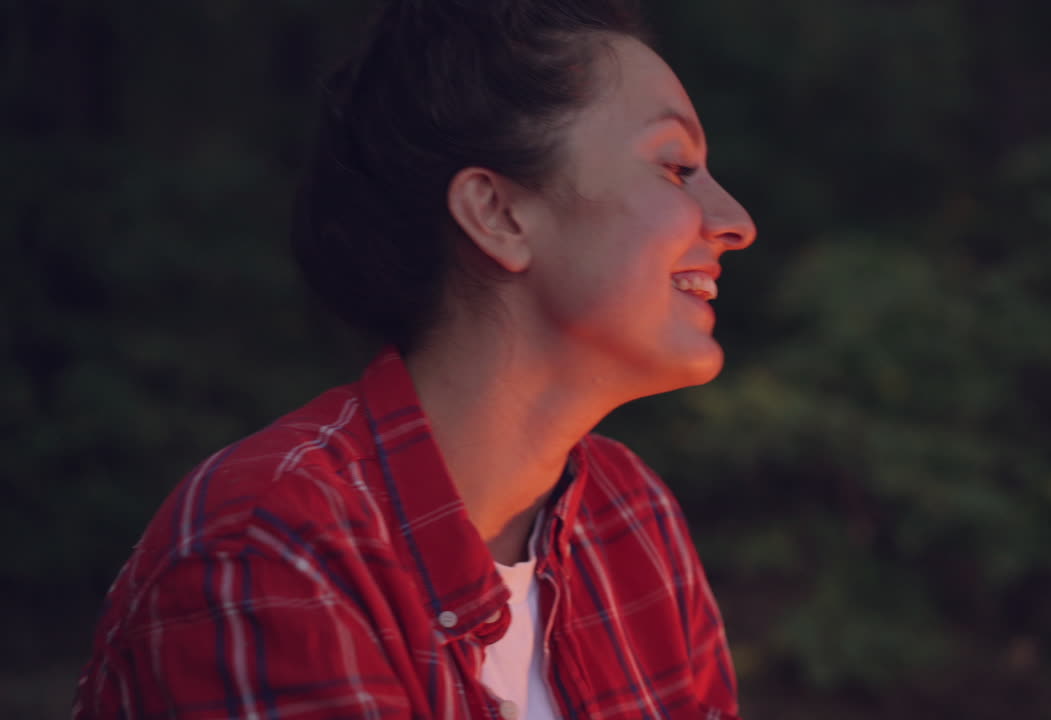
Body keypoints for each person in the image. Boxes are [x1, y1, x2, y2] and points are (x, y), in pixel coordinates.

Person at [73, 0, 756, 717]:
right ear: (498, 214)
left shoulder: (631, 518)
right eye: (676, 167)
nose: (736, 222)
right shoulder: (271, 547)